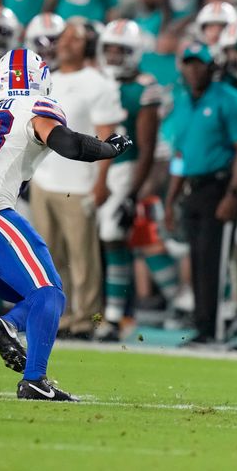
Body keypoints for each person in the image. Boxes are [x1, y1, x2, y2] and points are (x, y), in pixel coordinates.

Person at [0, 48, 131, 401]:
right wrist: (107, 149)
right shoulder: (35, 106)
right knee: (50, 293)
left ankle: (9, 327)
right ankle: (34, 377)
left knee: (36, 300)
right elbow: (65, 142)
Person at [30, 20, 124, 340]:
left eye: (75, 37)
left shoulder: (97, 83)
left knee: (83, 259)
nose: (67, 42)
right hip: (45, 179)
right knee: (49, 256)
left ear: (88, 45)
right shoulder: (48, 81)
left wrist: (101, 181)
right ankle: (61, 316)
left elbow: (107, 136)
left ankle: (85, 320)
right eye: (64, 36)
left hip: (80, 182)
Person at [164, 43, 237, 344]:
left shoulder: (228, 99)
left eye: (200, 64)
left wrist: (234, 194)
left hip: (219, 185)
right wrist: (170, 201)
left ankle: (214, 328)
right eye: (189, 63)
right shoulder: (182, 101)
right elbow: (180, 153)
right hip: (192, 187)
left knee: (214, 259)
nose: (194, 69)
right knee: (197, 258)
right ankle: (202, 325)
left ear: (212, 67)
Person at [96, 19, 167, 340]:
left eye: (121, 50)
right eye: (109, 48)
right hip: (94, 167)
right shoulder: (96, 79)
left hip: (127, 168)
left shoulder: (145, 86)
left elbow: (147, 146)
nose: (113, 55)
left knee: (117, 234)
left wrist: (132, 193)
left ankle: (114, 316)